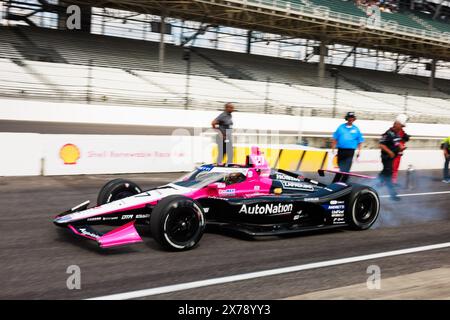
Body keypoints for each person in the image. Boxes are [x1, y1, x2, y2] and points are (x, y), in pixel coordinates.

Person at [331, 112, 364, 182]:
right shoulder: (341, 127)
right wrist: (333, 148)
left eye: (352, 117)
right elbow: (335, 138)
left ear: (354, 119)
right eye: (349, 117)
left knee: (347, 167)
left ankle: (342, 182)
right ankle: (336, 182)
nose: (350, 119)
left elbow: (360, 141)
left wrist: (359, 151)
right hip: (341, 150)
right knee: (341, 167)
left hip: (350, 151)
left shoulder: (356, 129)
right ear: (347, 118)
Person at [379, 118, 407, 201]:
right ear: (396, 125)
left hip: (391, 158)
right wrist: (390, 152)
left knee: (385, 173)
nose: (402, 128)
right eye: (400, 126)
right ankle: (393, 195)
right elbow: (381, 145)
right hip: (386, 157)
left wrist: (401, 148)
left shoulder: (397, 135)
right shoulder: (388, 133)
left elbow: (397, 144)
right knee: (388, 175)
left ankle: (376, 182)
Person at [392, 114, 410, 185]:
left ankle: (393, 181)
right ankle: (390, 181)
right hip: (394, 152)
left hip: (399, 152)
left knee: (395, 167)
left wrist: (405, 138)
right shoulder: (394, 130)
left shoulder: (401, 130)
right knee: (392, 167)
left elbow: (403, 139)